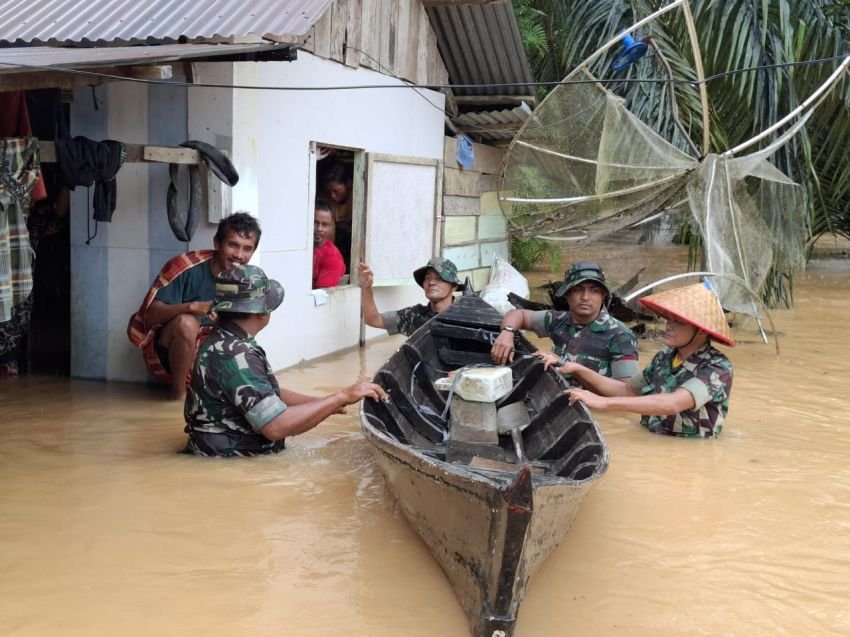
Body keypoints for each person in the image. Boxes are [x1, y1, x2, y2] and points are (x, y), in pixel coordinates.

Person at [182, 264, 387, 457]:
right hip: (232, 461)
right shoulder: (237, 355)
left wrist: (326, 404)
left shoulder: (222, 339)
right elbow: (276, 426)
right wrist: (341, 397)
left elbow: (269, 394)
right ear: (262, 312)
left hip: (213, 452)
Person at [557, 282, 735, 438]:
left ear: (702, 331)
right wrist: (578, 369)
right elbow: (627, 390)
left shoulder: (718, 367)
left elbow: (672, 403)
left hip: (687, 453)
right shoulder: (665, 357)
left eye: (679, 322)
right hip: (653, 436)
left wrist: (603, 402)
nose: (669, 326)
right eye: (669, 319)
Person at [127, 212, 261, 400]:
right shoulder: (185, 266)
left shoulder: (249, 280)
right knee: (187, 323)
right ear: (217, 243)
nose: (239, 255)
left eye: (247, 249)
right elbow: (149, 316)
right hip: (168, 355)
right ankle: (178, 396)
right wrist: (192, 307)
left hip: (213, 354)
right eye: (233, 245)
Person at [491, 261, 638, 382]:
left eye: (594, 290)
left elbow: (625, 393)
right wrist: (507, 332)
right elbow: (518, 314)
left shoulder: (620, 336)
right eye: (578, 289)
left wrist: (572, 368)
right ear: (567, 294)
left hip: (592, 409)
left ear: (603, 296)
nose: (585, 297)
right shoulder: (559, 320)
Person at [358, 257, 465, 337]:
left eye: (439, 278)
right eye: (428, 278)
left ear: (454, 286)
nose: (431, 282)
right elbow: (373, 320)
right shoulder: (413, 316)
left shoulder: (466, 316)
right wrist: (367, 288)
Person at [318, 160, 353, 267]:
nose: (332, 195)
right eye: (329, 191)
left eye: (336, 190)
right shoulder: (325, 199)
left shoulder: (358, 195)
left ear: (348, 184)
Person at [312, 202, 346, 288]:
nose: (319, 229)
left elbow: (320, 295)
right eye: (315, 222)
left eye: (325, 225)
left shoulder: (332, 257)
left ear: (331, 227)